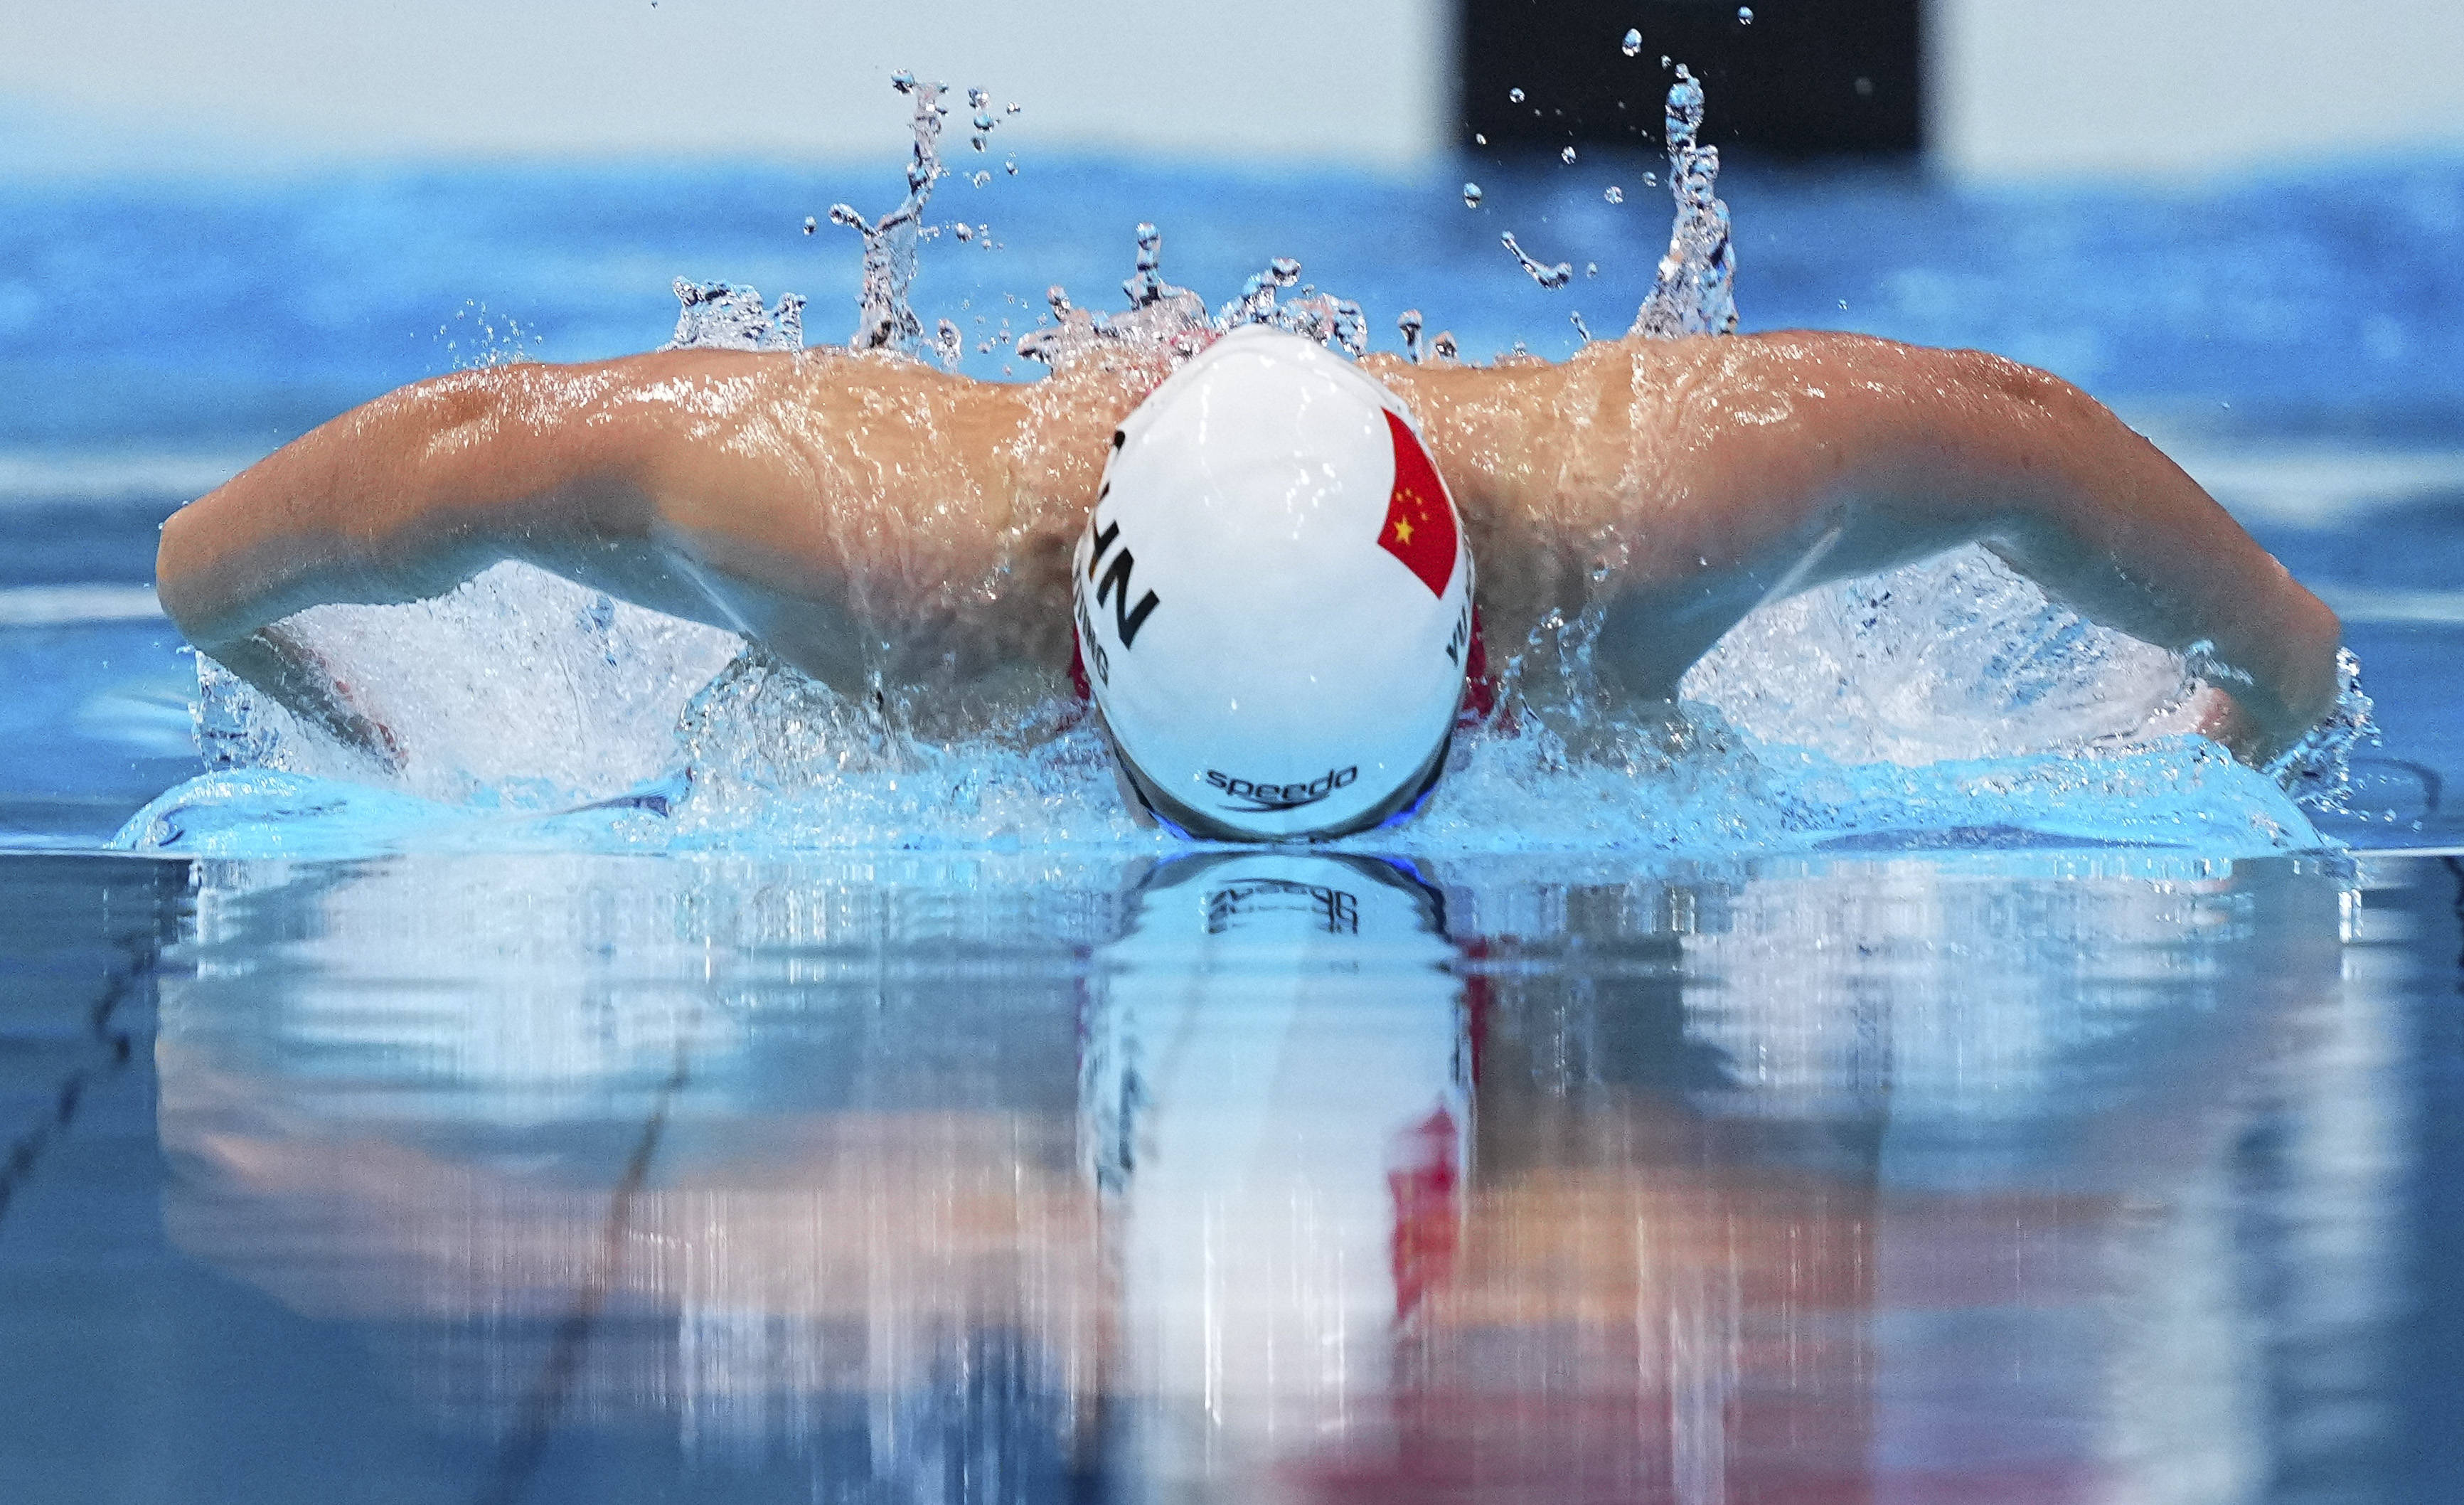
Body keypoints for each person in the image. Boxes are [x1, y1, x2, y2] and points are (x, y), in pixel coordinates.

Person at [154, 321, 2342, 839]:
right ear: (1083, 678)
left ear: (1481, 654)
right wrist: (229, 612)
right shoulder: (884, 556)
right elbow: (482, 451)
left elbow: (2019, 442)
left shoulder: (1648, 523)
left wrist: (2270, 674)